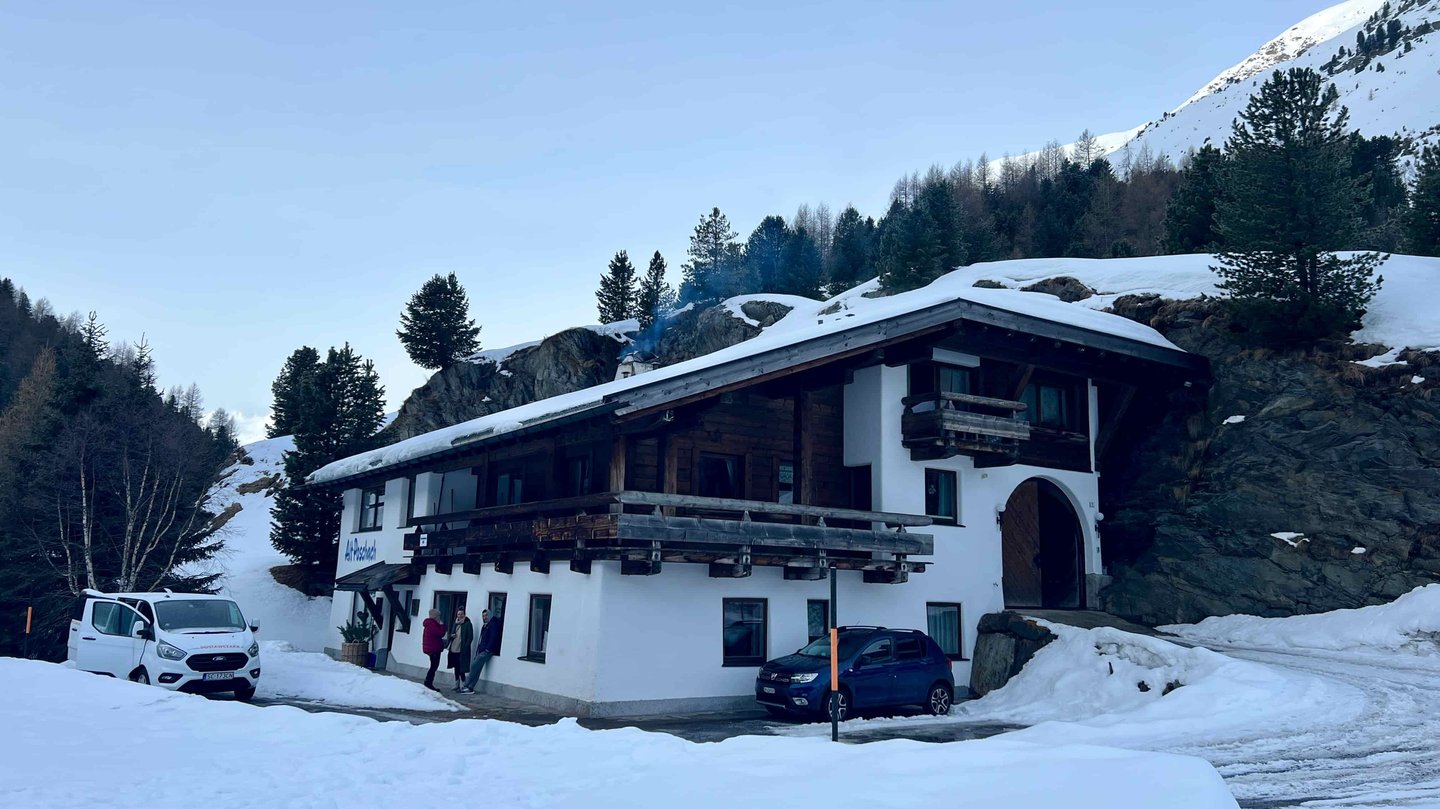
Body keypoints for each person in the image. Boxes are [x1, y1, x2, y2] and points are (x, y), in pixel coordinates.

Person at [459, 608, 501, 694]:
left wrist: (487, 649)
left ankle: (466, 685)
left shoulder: (493, 624)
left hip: (487, 650)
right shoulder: (486, 625)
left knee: (474, 666)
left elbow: (493, 637)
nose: (484, 617)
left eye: (486, 615)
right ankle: (470, 687)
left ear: (490, 615)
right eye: (483, 616)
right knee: (477, 668)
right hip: (482, 650)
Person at [445, 607, 473, 691]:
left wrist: (465, 646)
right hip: (453, 648)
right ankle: (456, 683)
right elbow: (450, 633)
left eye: (461, 614)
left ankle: (463, 684)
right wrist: (451, 636)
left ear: (464, 615)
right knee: (456, 667)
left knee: (462, 667)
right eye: (458, 614)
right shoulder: (455, 623)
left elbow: (470, 637)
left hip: (462, 649)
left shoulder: (468, 624)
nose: (459, 616)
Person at [421, 609, 445, 691]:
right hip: (434, 649)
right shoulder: (432, 624)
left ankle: (428, 682)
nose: (439, 618)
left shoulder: (429, 624)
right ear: (435, 616)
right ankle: (428, 682)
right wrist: (442, 625)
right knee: (434, 666)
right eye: (438, 616)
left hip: (432, 648)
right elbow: (440, 633)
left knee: (433, 666)